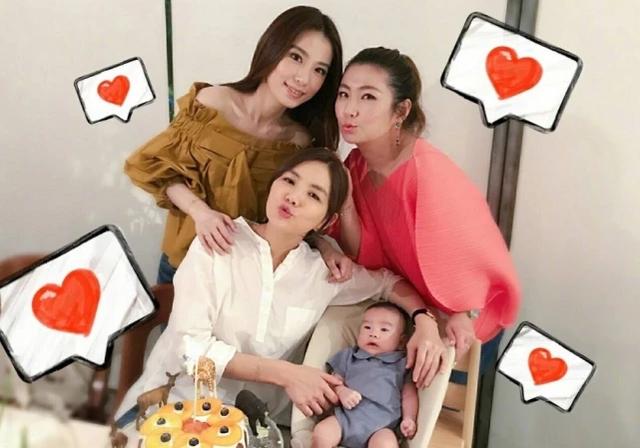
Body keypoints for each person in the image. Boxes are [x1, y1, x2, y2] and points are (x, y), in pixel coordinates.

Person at [113, 148, 446, 430]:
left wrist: (425, 320)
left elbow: (388, 282)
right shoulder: (218, 243)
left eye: (313, 195)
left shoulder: (323, 273)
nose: (294, 197)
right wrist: (287, 374)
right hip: (168, 409)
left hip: (249, 427)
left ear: (325, 221)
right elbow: (189, 349)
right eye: (289, 181)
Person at [315, 47, 521, 373]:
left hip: (460, 320)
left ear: (401, 110)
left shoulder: (427, 171)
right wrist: (348, 203)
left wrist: (461, 312)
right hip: (409, 312)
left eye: (368, 97)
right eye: (344, 94)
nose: (349, 109)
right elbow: (363, 254)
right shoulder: (354, 164)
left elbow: (469, 257)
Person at [124, 6, 343, 283]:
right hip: (184, 264)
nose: (304, 79)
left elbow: (293, 218)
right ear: (272, 48)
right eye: (296, 57)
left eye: (319, 70)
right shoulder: (210, 104)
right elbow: (162, 170)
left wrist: (325, 246)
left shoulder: (299, 144)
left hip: (244, 281)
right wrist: (201, 213)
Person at [312, 302, 418, 448]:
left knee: (386, 445)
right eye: (367, 327)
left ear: (401, 341)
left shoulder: (402, 364)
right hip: (344, 419)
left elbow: (409, 395)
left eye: (384, 329)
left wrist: (409, 418)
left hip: (382, 427)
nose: (373, 334)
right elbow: (333, 381)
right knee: (321, 433)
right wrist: (342, 391)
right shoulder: (349, 356)